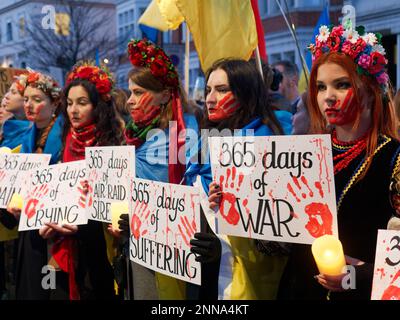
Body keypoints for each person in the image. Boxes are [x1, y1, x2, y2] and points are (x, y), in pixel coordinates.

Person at [278, 24, 400, 300]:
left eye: (342, 84)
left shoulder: (394, 159)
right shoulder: (303, 155)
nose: (327, 97)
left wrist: (357, 277)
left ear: (369, 90)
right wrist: (235, 206)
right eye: (320, 87)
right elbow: (280, 243)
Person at [186, 58, 292, 300]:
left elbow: (282, 234)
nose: (210, 99)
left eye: (222, 90)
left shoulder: (273, 143)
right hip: (206, 279)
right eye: (208, 90)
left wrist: (223, 248)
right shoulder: (206, 139)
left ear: (247, 93)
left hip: (249, 282)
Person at [115, 39, 199, 300]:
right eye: (130, 92)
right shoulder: (138, 133)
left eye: (138, 92)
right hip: (140, 242)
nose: (130, 101)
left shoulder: (185, 135)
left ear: (165, 94)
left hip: (172, 251)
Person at [38, 61, 124, 300]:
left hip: (101, 250)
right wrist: (50, 222)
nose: (73, 110)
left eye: (82, 103)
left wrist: (81, 225)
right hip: (67, 248)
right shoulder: (67, 140)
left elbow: (113, 209)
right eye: (70, 103)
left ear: (98, 106)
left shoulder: (114, 144)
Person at [0, 69, 64, 299]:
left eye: (37, 100)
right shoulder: (27, 134)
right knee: (29, 285)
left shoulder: (64, 135)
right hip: (28, 225)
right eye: (26, 99)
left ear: (55, 103)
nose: (29, 105)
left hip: (54, 229)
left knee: (49, 287)